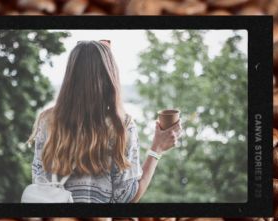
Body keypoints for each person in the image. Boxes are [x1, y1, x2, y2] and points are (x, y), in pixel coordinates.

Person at [27, 40, 182, 203]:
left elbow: (40, 186)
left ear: (70, 76)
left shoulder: (47, 121)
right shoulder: (120, 126)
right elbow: (127, 198)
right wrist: (156, 149)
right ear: (110, 77)